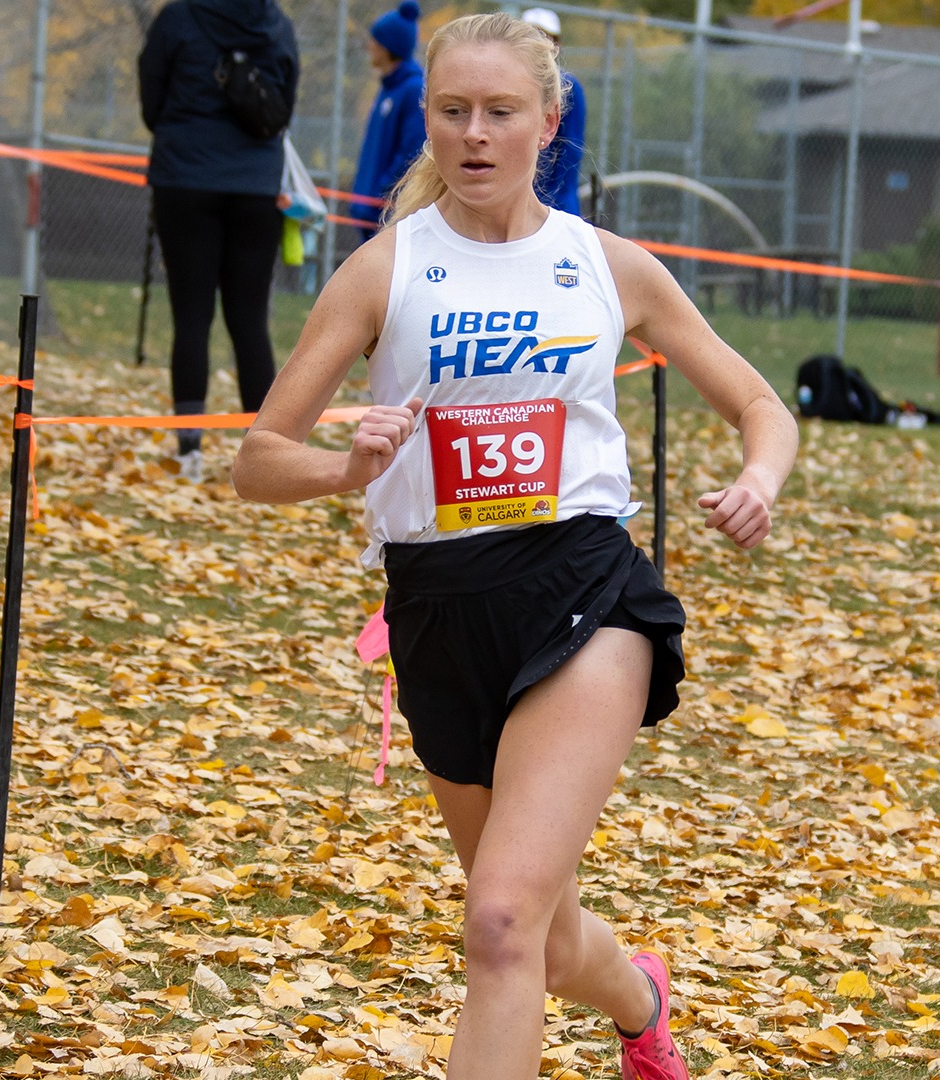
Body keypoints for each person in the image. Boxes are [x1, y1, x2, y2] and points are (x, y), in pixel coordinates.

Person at [230, 14, 797, 1079]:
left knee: (496, 924)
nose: (475, 135)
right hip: (438, 610)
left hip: (581, 591)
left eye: (500, 113)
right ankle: (639, 997)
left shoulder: (605, 265)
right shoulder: (383, 272)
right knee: (538, 934)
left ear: (550, 120)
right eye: (453, 113)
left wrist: (759, 481)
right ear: (426, 120)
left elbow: (760, 403)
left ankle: (628, 1001)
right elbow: (258, 460)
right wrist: (345, 466)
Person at [137, 0, 299, 483]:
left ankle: (189, 450)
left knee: (191, 316)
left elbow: (151, 98)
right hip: (255, 185)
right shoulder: (275, 24)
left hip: (184, 179)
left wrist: (184, 134)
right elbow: (283, 106)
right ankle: (265, 455)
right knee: (250, 319)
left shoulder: (178, 18)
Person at [351, 1, 427, 237]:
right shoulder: (388, 89)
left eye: (375, 41)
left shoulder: (412, 89)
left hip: (385, 212)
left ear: (388, 46)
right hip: (368, 209)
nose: (369, 46)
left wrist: (382, 194)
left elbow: (410, 154)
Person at [521, 8, 589, 218]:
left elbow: (571, 150)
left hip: (555, 202)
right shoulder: (511, 82)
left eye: (547, 38)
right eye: (532, 36)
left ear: (557, 44)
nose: (540, 44)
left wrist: (550, 203)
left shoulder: (567, 86)